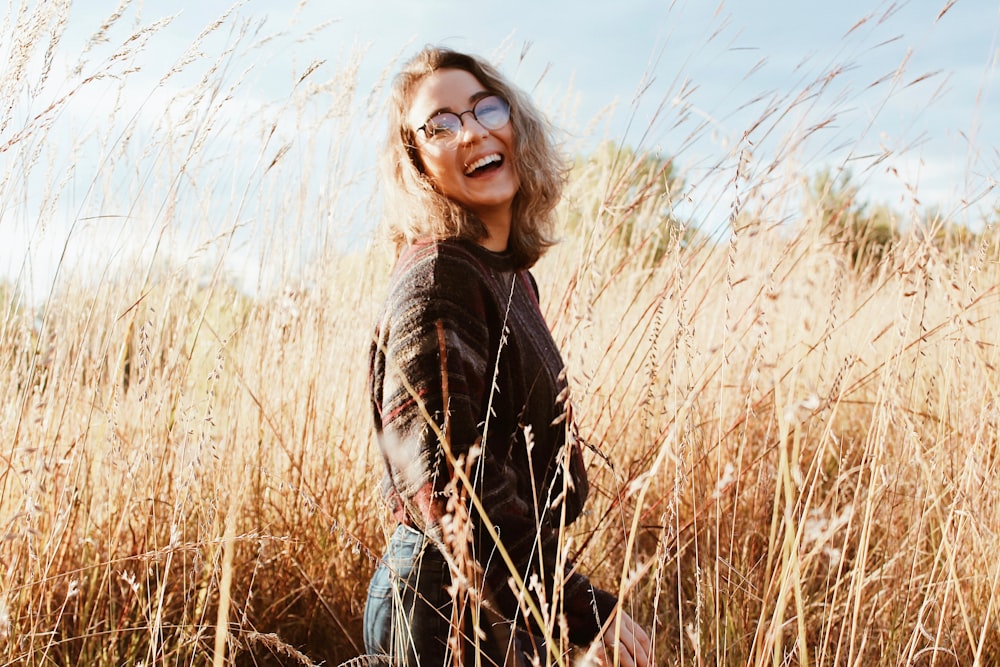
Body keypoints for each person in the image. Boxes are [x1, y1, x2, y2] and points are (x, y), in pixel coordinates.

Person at [364, 45, 652, 667]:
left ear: (514, 124)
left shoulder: (507, 275)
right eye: (440, 125)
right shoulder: (440, 277)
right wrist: (579, 608)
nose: (471, 130)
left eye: (484, 107)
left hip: (498, 590)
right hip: (445, 601)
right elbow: (447, 482)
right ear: (417, 163)